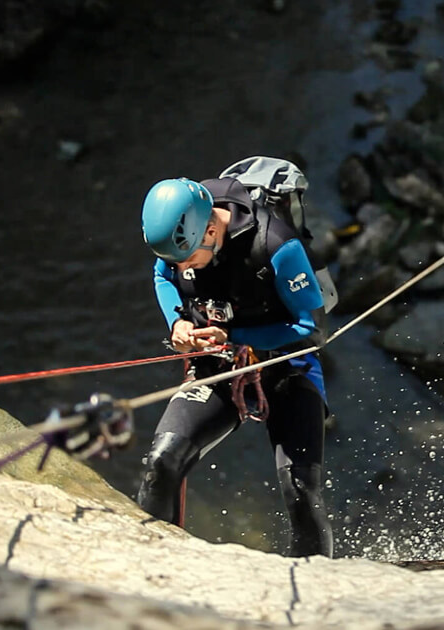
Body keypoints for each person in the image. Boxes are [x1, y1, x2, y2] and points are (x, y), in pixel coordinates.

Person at [136, 174, 333, 558]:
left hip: (288, 365)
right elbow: (162, 274)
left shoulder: (276, 245)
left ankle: (314, 587)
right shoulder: (182, 241)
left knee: (300, 489)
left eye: (189, 260)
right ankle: (158, 568)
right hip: (218, 364)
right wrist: (178, 321)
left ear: (211, 229)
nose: (183, 268)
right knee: (162, 461)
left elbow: (312, 329)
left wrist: (237, 337)